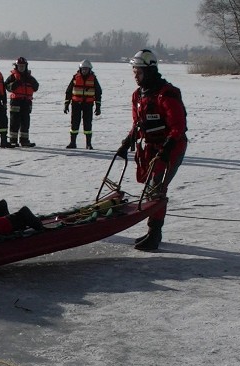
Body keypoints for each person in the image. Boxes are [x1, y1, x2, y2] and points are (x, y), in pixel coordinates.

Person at [115, 49, 188, 251]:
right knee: (149, 189)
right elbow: (138, 124)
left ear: (149, 71)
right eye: (134, 72)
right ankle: (152, 231)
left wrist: (166, 149)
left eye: (138, 72)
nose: (135, 76)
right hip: (151, 148)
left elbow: (178, 127)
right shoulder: (138, 95)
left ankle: (154, 234)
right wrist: (127, 142)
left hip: (171, 148)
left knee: (156, 189)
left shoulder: (166, 94)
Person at [64, 60, 102, 149]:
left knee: (87, 123)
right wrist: (66, 104)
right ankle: (72, 142)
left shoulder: (93, 79)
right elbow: (69, 91)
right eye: (83, 69)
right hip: (76, 104)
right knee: (74, 124)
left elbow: (98, 93)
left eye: (86, 69)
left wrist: (98, 107)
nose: (84, 71)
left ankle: (88, 144)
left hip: (88, 105)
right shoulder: (75, 78)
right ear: (80, 69)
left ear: (89, 70)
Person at [4, 57, 40, 147]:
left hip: (26, 102)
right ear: (16, 67)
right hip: (16, 102)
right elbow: (7, 86)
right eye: (19, 66)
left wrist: (31, 80)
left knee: (25, 122)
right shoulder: (13, 76)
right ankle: (13, 140)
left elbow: (36, 87)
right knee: (14, 122)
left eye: (23, 66)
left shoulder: (29, 77)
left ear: (26, 66)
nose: (21, 68)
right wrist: (16, 83)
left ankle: (24, 140)